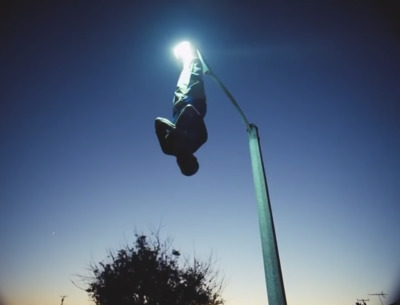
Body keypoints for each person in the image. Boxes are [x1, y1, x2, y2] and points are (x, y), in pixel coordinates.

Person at [155, 44, 208, 176]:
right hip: (193, 98)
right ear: (194, 158)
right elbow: (190, 110)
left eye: (182, 166)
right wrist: (176, 131)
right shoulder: (200, 139)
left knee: (186, 73)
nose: (181, 162)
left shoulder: (167, 149)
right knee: (194, 69)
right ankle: (189, 49)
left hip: (178, 103)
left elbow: (158, 121)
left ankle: (185, 57)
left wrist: (175, 130)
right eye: (187, 163)